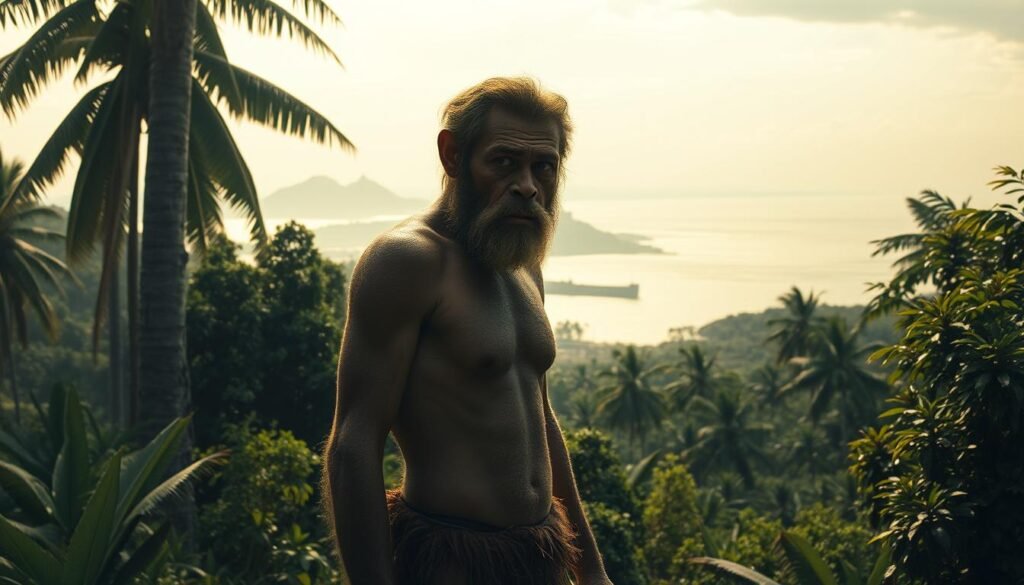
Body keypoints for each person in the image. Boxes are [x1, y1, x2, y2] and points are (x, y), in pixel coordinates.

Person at [322, 77, 613, 585]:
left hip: (541, 554)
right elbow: (353, 443)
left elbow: (540, 418)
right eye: (504, 162)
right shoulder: (408, 260)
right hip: (450, 560)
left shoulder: (522, 264)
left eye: (544, 167)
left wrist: (591, 568)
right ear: (453, 156)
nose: (527, 185)